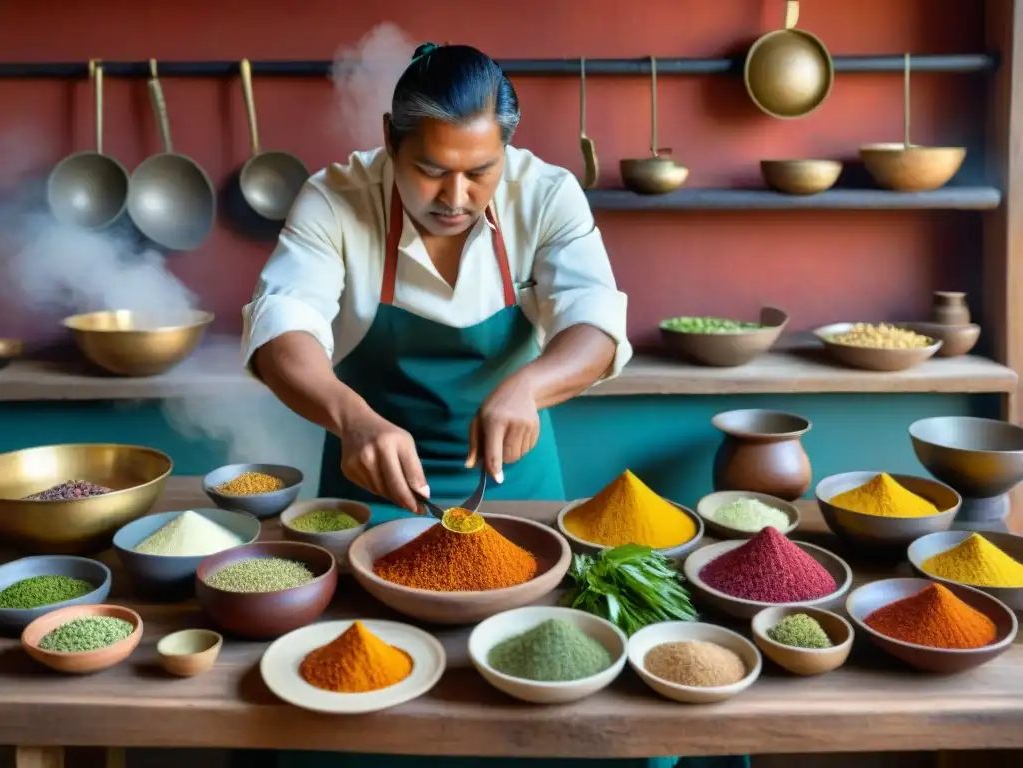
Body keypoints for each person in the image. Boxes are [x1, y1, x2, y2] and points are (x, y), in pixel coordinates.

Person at [241, 42, 748, 768]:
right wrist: (351, 417)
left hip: (519, 498)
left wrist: (531, 385)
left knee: (536, 708)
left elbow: (595, 327)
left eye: (479, 172)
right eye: (429, 170)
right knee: (363, 717)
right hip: (370, 498)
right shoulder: (335, 197)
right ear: (390, 140)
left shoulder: (546, 194)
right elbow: (281, 326)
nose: (455, 196)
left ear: (506, 150)